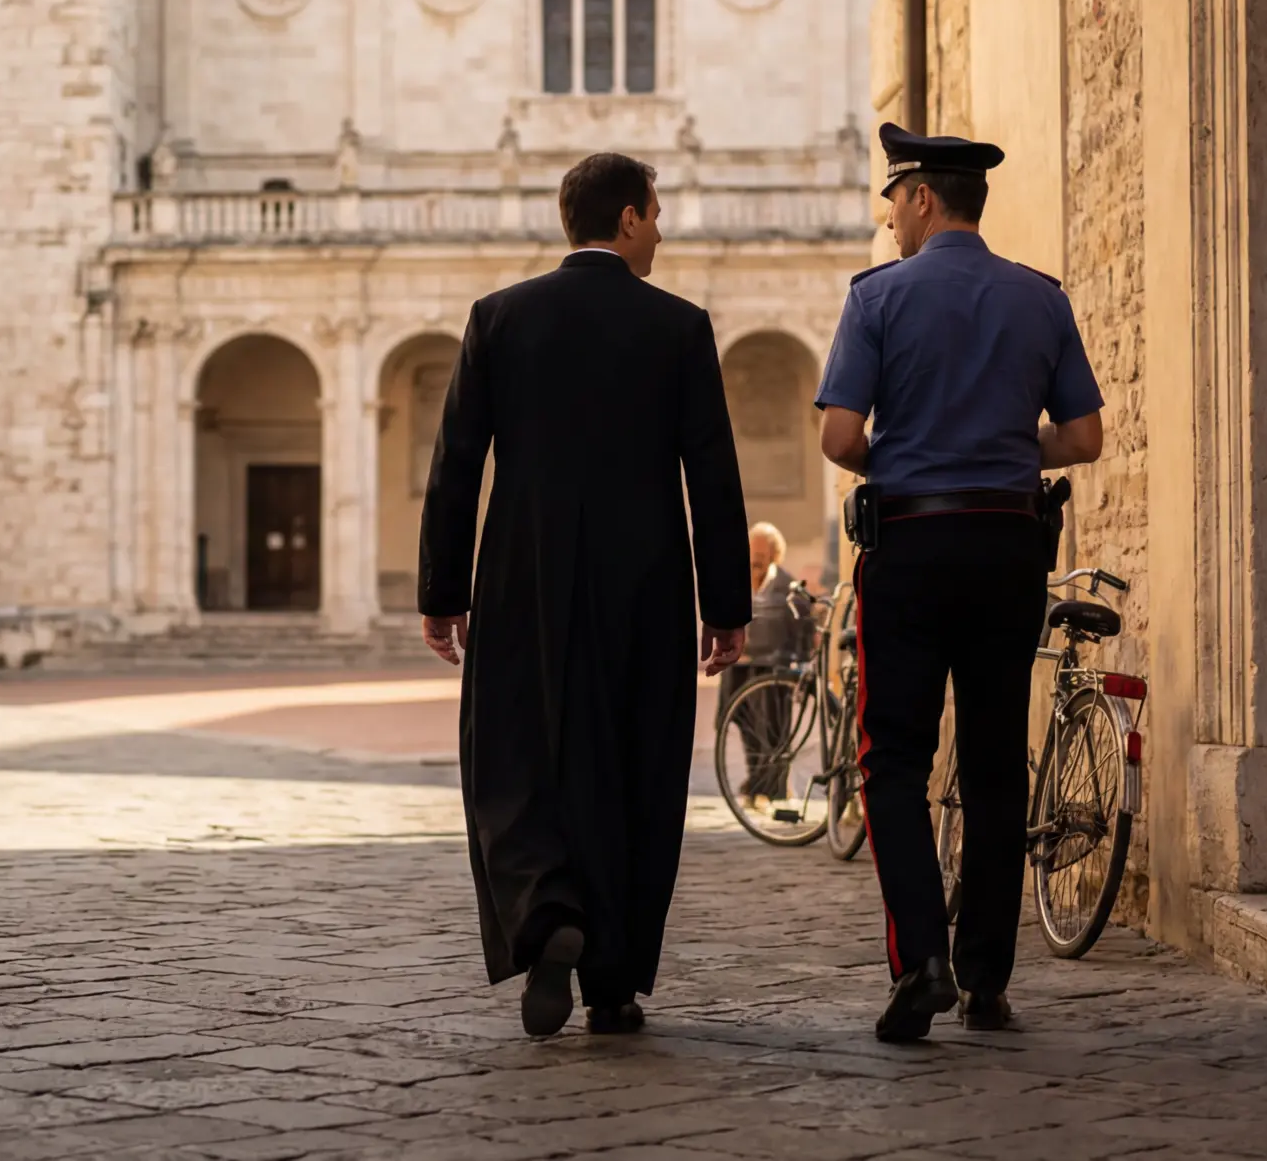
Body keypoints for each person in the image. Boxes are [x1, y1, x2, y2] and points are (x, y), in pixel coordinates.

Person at [417, 152, 749, 1038]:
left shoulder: (500, 317)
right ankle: (612, 978)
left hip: (522, 566)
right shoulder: (679, 326)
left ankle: (544, 911)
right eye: (658, 212)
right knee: (632, 764)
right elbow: (712, 477)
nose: (664, 229)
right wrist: (726, 606)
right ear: (631, 218)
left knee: (514, 751)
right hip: (643, 574)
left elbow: (455, 465)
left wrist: (442, 589)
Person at [815, 123, 1104, 1043]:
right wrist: (1017, 447)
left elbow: (837, 438)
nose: (888, 217)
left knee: (891, 760)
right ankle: (985, 978)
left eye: (894, 200)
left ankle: (923, 960)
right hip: (1008, 547)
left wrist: (894, 456)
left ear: (924, 198)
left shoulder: (877, 299)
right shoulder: (1039, 298)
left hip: (909, 546)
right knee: (990, 762)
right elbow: (1085, 437)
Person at [723, 523, 803, 808]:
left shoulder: (786, 585)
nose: (754, 558)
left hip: (772, 668)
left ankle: (771, 789)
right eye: (751, 550)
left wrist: (796, 660)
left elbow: (799, 626)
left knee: (772, 729)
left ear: (774, 554)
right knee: (745, 724)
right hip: (742, 666)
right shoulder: (738, 581)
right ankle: (756, 782)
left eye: (761, 552)